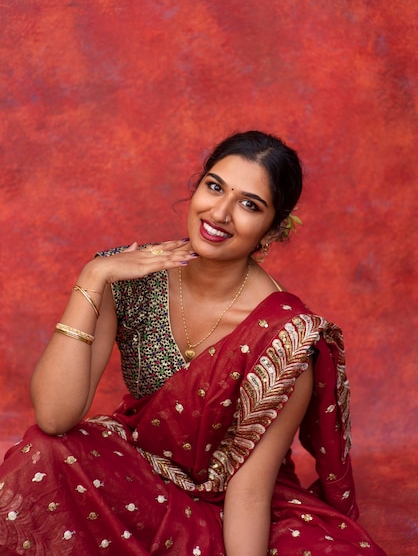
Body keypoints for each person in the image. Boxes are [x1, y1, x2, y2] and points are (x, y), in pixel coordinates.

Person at [0, 130, 386, 556]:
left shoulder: (285, 335)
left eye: (249, 204)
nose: (219, 213)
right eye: (215, 187)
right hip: (136, 477)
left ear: (272, 231)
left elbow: (249, 494)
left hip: (230, 504)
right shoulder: (128, 276)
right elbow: (55, 417)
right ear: (197, 186)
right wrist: (92, 276)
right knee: (44, 450)